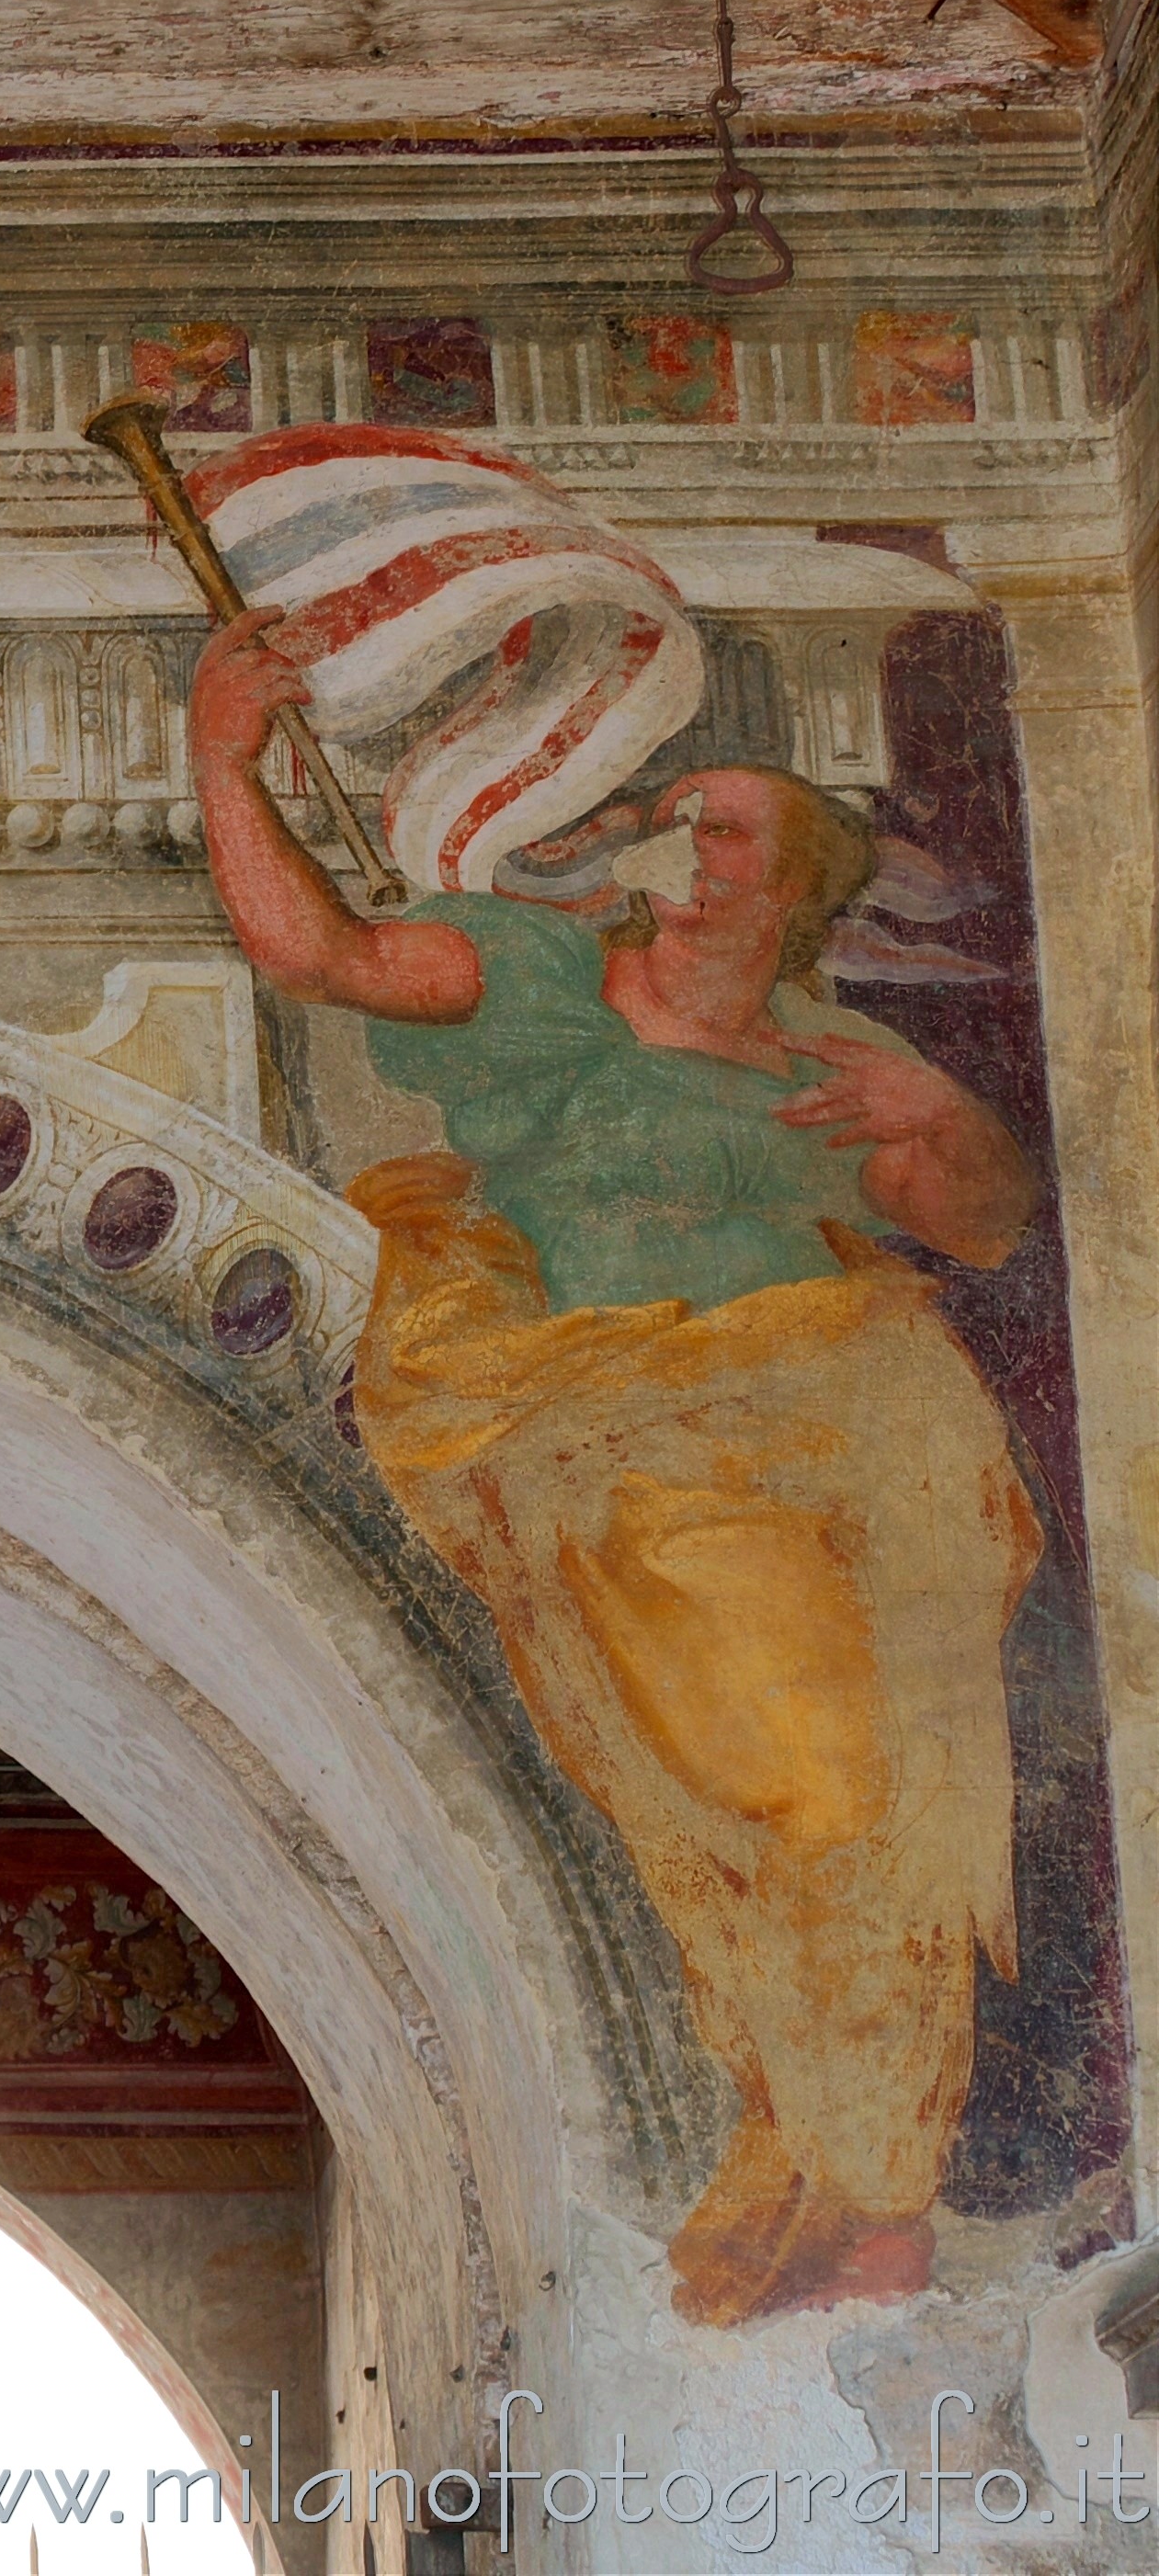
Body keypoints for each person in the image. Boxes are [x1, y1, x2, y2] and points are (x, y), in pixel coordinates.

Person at [190, 608, 1040, 2326]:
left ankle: (868, 2176)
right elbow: (325, 957)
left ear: (787, 890)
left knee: (918, 1785)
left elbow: (982, 1227)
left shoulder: (823, 1057)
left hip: (852, 1423)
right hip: (629, 1427)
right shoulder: (546, 981)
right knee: (805, 1783)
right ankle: (835, 2137)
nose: (678, 834)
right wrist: (223, 750)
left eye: (723, 823)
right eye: (683, 811)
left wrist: (940, 1128)